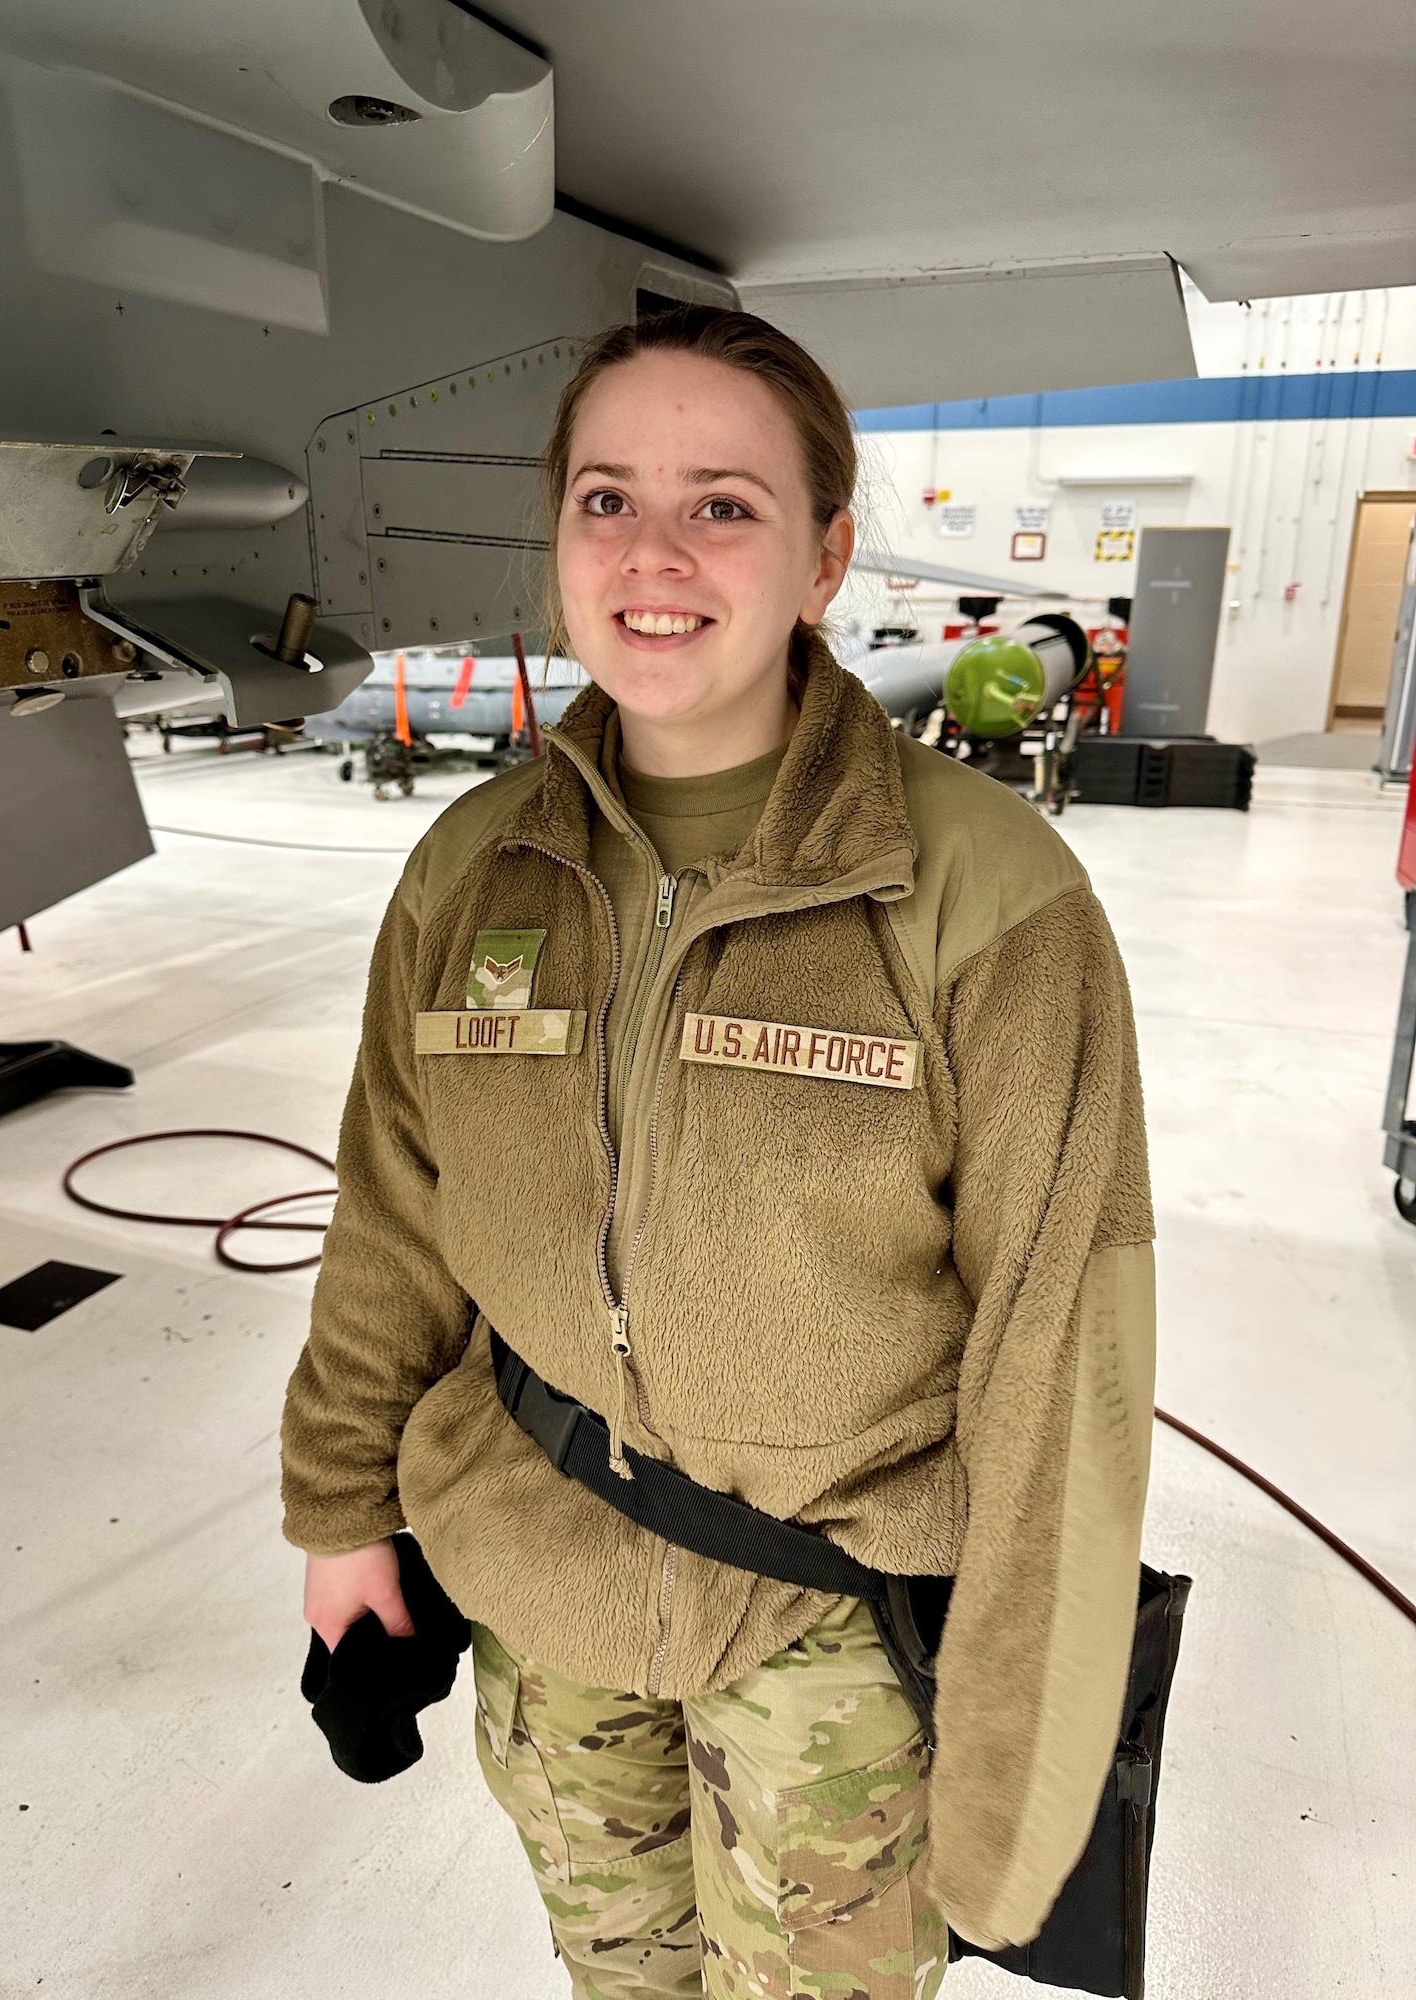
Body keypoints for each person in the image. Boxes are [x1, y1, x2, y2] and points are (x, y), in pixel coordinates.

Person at [280, 307, 1156, 2000]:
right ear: (556, 545)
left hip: (836, 1629)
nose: (653, 554)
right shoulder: (474, 871)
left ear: (826, 556)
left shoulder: (987, 893)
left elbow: (1067, 1358)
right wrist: (343, 1513)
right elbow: (392, 1219)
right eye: (606, 499)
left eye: (725, 505)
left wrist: (1018, 1760)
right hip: (540, 1578)